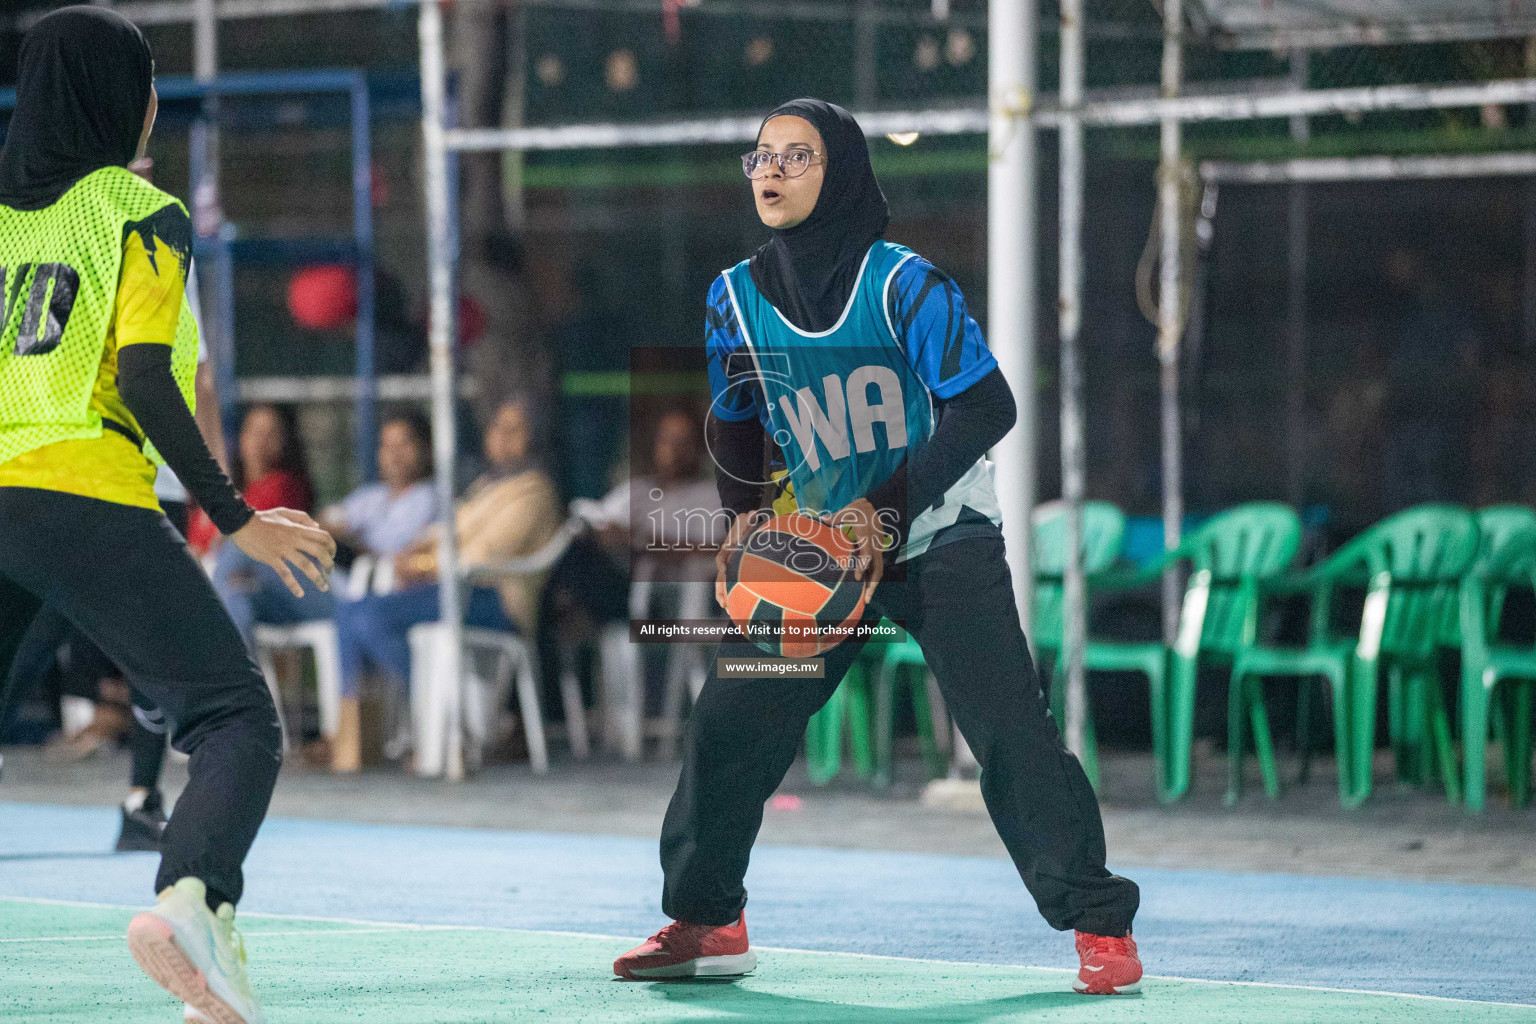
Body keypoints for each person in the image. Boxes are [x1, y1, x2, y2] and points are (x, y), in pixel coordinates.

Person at [613, 99, 1143, 995]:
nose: (771, 172)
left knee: (1009, 734)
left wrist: (882, 513)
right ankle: (708, 920)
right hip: (815, 549)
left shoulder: (906, 285)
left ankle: (1099, 924)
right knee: (730, 724)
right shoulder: (733, 297)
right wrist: (744, 513)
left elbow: (989, 406)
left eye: (796, 156)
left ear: (842, 173)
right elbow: (739, 419)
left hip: (939, 536)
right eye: (761, 157)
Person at [0, 10, 335, 1023]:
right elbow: (147, 377)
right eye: (146, 80)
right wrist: (238, 517)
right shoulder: (137, 209)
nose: (153, 100)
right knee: (235, 717)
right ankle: (192, 900)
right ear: (118, 98)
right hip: (82, 487)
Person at [330, 396, 561, 771]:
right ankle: (354, 735)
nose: (502, 440)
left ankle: (447, 723)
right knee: (352, 613)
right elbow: (445, 530)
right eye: (497, 429)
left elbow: (485, 554)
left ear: (535, 439)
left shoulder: (535, 493)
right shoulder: (488, 487)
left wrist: (423, 562)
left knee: (369, 616)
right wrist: (414, 553)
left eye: (514, 431)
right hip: (456, 590)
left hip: (494, 601)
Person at [209, 403, 327, 647]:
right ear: (241, 437)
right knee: (234, 598)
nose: (260, 441)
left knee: (238, 543)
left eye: (270, 433)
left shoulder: (285, 485)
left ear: (285, 442)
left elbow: (239, 535)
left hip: (292, 586)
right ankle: (243, 683)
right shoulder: (232, 491)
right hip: (250, 588)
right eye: (254, 431)